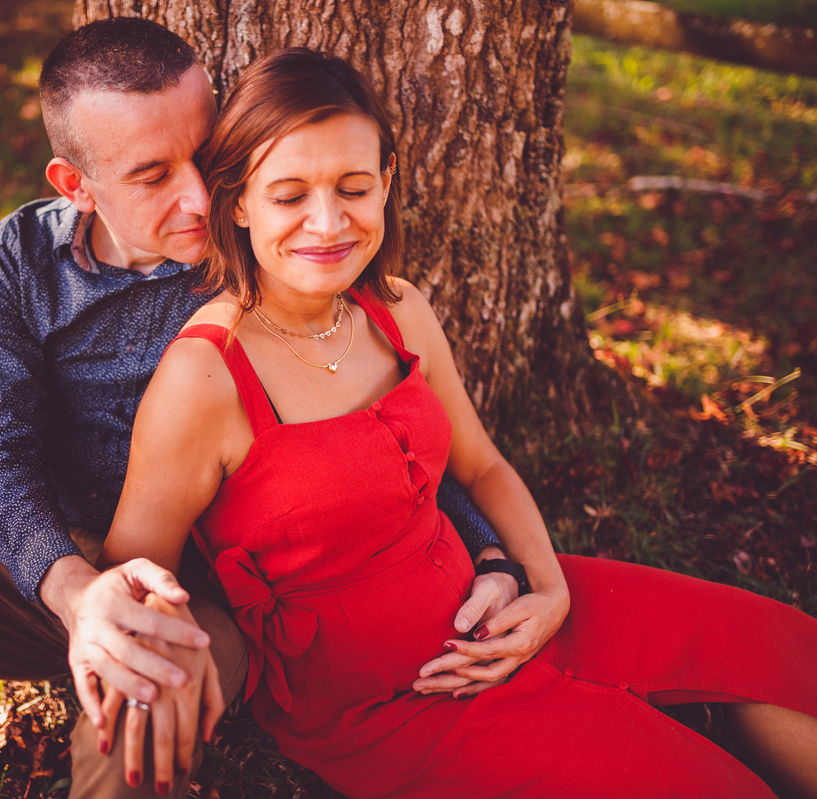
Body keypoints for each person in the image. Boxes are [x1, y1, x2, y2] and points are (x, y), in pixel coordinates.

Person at [0, 19, 534, 799]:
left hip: (210, 591)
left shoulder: (262, 247)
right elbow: (2, 458)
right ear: (75, 184)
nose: (199, 197)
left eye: (209, 157)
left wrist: (489, 548)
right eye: (153, 175)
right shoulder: (17, 262)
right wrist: (77, 594)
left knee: (135, 721)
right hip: (68, 563)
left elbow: (381, 418)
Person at [99, 47, 817, 798]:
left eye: (353, 188)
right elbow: (133, 570)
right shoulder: (205, 375)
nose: (328, 222)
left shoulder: (398, 310)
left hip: (495, 603)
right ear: (238, 202)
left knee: (780, 648)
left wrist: (545, 592)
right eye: (288, 196)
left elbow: (482, 466)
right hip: (394, 702)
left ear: (387, 182)